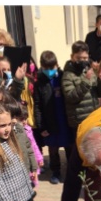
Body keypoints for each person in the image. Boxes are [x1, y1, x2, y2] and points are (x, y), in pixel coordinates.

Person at [33, 50, 72, 185]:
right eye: (46, 68)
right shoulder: (39, 83)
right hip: (50, 123)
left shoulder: (63, 78)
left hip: (65, 120)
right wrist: (41, 126)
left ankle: (71, 170)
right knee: (53, 149)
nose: (49, 71)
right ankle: (56, 171)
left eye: (52, 68)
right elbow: (37, 106)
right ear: (41, 67)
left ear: (57, 65)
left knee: (69, 147)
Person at [61, 40, 101, 132]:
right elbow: (71, 97)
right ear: (72, 57)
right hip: (79, 122)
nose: (82, 61)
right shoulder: (68, 75)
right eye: (79, 58)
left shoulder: (89, 71)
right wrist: (86, 81)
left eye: (85, 58)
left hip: (93, 119)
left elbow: (100, 93)